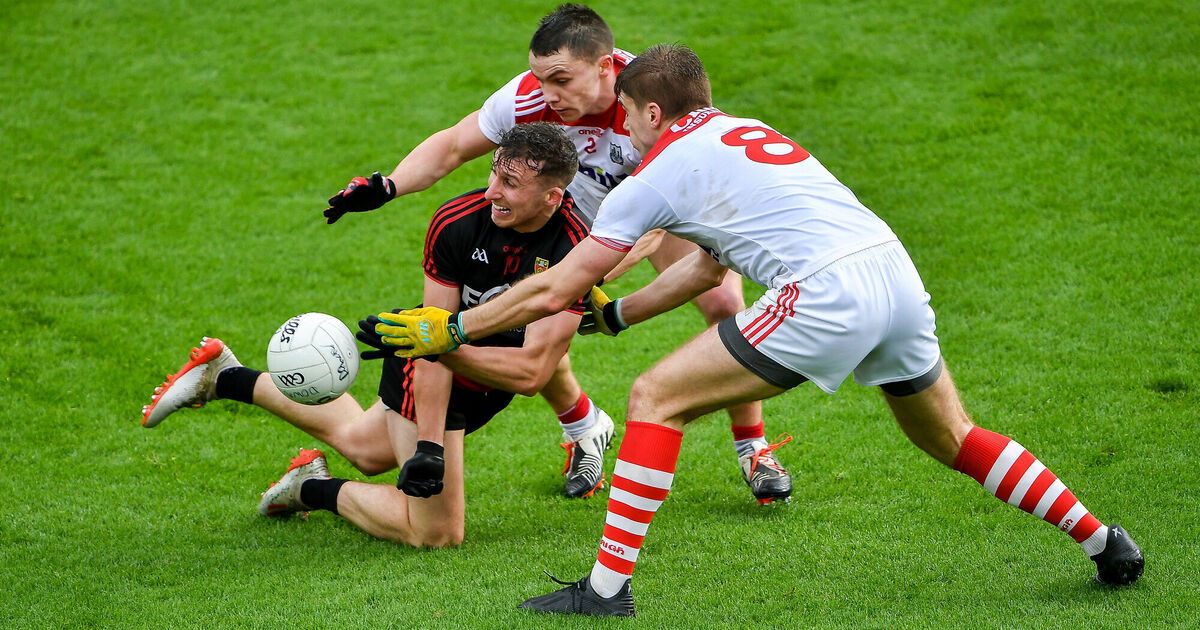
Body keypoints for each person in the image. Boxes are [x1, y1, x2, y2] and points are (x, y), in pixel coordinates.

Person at [369, 44, 1146, 616]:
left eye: (631, 125)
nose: (625, 141)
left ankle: (606, 590)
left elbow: (559, 285)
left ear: (650, 111)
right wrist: (624, 312)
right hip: (894, 273)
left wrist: (453, 328)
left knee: (655, 395)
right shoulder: (746, 130)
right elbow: (708, 269)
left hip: (826, 291)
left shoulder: (657, 169)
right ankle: (1102, 540)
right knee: (952, 435)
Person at [322, 3, 793, 504]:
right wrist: (390, 185)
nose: (549, 93)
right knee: (526, 320)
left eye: (561, 80)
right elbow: (455, 146)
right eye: (541, 77)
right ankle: (583, 425)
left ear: (607, 65)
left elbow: (654, 227)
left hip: (659, 212)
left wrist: (587, 273)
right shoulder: (530, 95)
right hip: (562, 218)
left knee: (721, 302)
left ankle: (753, 447)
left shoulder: (648, 109)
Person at [140, 123, 603, 545]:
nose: (492, 191)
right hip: (427, 370)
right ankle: (315, 490)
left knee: (363, 448)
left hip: (478, 373)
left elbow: (530, 373)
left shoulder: (577, 250)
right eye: (493, 175)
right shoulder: (458, 224)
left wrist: (440, 346)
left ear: (553, 197)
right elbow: (429, 341)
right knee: (437, 533)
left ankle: (226, 378)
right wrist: (430, 444)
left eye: (511, 185)